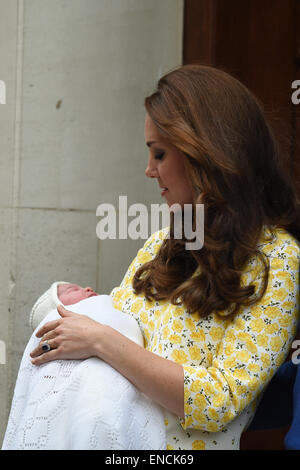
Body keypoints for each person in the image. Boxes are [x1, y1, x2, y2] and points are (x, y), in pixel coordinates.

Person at [26, 65, 300, 450]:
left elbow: (220, 400)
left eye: (159, 153)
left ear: (205, 153)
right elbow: (112, 332)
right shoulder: (161, 243)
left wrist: (103, 342)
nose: (149, 170)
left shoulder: (279, 258)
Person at [2, 282, 166, 450]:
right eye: (73, 290)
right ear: (59, 310)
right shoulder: (65, 317)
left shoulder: (113, 310)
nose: (87, 289)